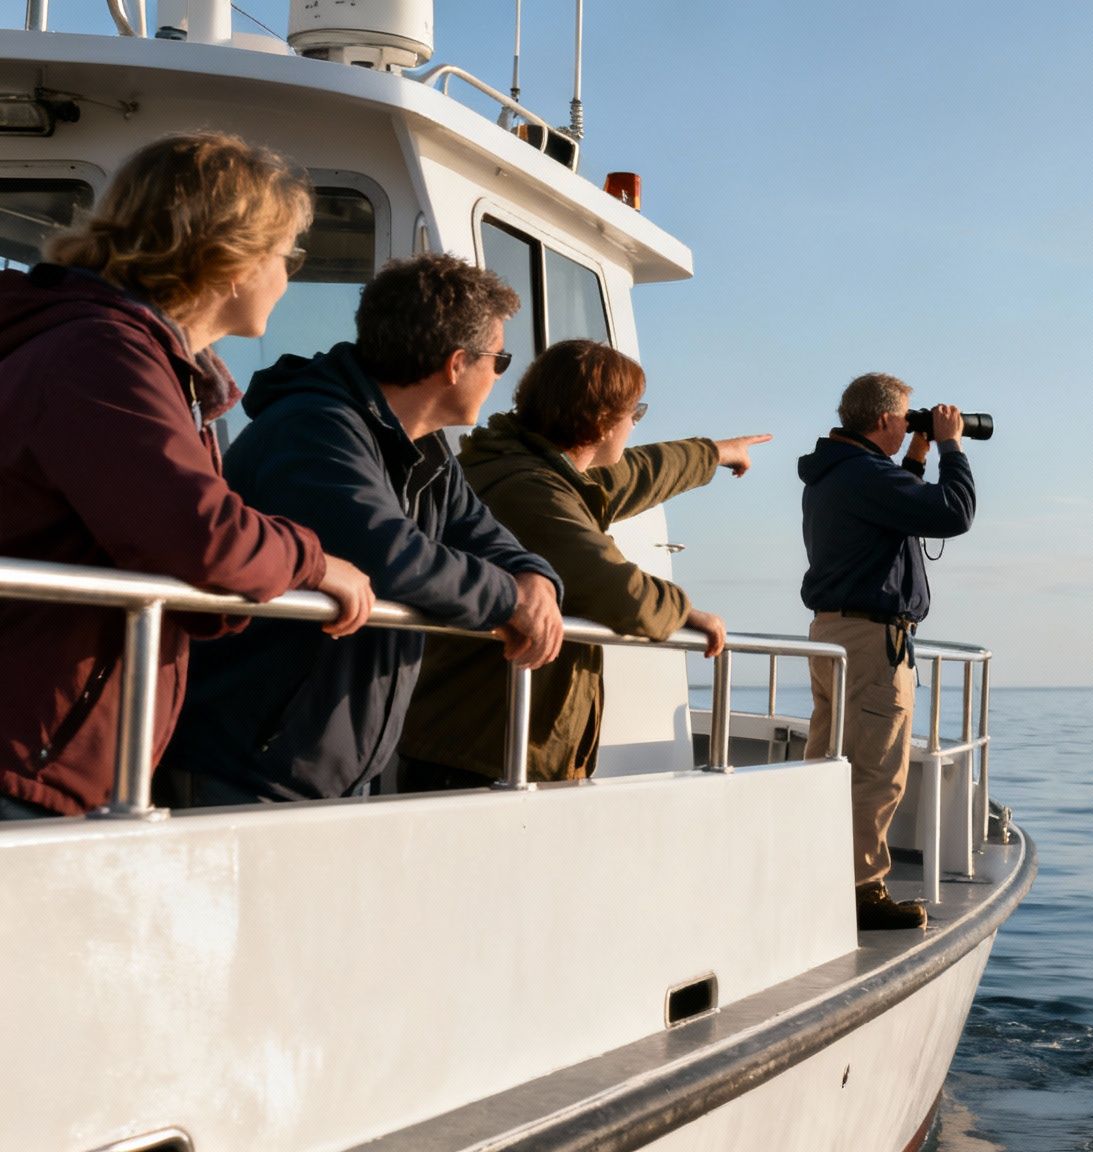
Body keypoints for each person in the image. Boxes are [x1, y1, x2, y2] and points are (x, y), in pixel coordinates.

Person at [0, 131, 374, 821]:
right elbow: (201, 536)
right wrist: (316, 563)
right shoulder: (100, 355)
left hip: (45, 760)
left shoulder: (137, 361)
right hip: (22, 762)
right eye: (286, 255)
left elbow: (191, 570)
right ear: (232, 258)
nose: (288, 278)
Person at [158, 254, 563, 807]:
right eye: (499, 359)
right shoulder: (314, 426)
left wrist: (533, 579)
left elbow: (483, 534)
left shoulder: (423, 448)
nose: (500, 376)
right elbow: (390, 553)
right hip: (245, 768)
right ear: (456, 363)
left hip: (322, 771)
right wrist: (508, 600)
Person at [397, 339, 772, 788]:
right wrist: (685, 611)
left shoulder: (524, 462)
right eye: (634, 414)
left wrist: (714, 452)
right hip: (483, 753)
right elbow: (618, 593)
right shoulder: (531, 489)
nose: (635, 425)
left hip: (481, 741)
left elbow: (639, 471)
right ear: (600, 425)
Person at [797, 372, 975, 929]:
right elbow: (953, 514)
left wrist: (915, 460)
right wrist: (950, 445)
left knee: (830, 763)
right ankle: (862, 891)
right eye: (906, 418)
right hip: (874, 641)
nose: (909, 426)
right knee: (876, 770)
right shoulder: (864, 474)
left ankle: (818, 873)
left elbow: (893, 512)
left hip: (834, 635)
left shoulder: (837, 472)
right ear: (882, 421)